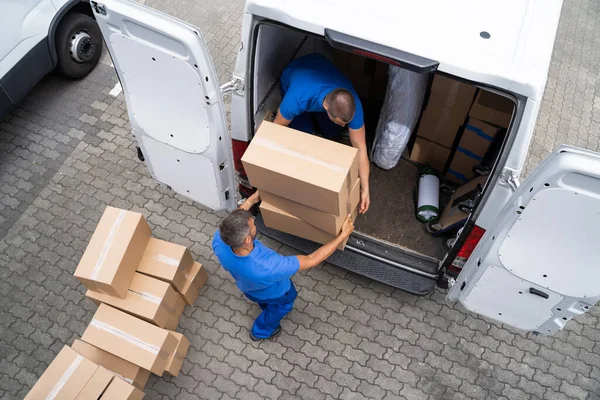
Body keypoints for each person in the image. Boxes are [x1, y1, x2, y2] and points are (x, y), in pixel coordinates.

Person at [212, 191, 354, 341]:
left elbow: (234, 222)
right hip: (277, 293)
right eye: (253, 224)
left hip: (249, 288)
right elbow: (311, 259)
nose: (254, 221)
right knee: (280, 307)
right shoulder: (269, 266)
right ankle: (260, 331)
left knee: (264, 301)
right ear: (247, 239)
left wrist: (252, 200)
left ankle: (266, 309)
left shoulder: (220, 240)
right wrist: (343, 235)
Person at [274, 53, 370, 214]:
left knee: (332, 131)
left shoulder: (353, 105)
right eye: (342, 122)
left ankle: (329, 127)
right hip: (297, 73)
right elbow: (275, 130)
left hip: (320, 63)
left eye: (347, 122)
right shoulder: (296, 99)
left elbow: (360, 147)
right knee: (302, 134)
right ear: (326, 108)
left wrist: (365, 187)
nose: (347, 126)